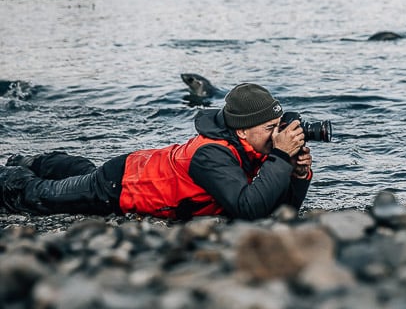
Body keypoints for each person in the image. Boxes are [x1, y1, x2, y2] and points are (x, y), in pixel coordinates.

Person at [0, 83, 313, 220]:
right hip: (116, 187)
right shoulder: (212, 155)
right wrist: (282, 157)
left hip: (131, 168)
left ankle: (30, 160)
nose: (277, 135)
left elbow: (277, 212)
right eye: (270, 128)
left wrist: (297, 175)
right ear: (242, 130)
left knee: (81, 171)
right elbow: (248, 209)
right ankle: (9, 169)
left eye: (278, 125)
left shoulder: (253, 150)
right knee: (35, 196)